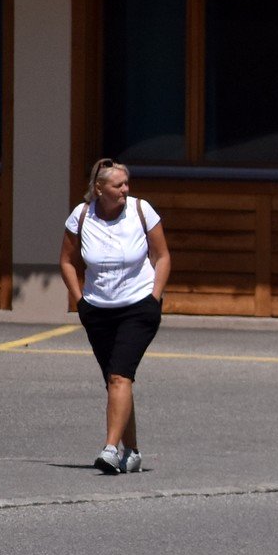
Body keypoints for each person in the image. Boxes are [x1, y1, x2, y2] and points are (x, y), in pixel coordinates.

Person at [59, 158, 171, 475]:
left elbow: (162, 256)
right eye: (118, 185)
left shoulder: (141, 210)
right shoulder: (81, 216)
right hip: (97, 311)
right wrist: (79, 301)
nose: (125, 189)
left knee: (119, 376)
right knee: (116, 381)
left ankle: (110, 449)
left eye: (126, 184)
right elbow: (66, 261)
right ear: (99, 189)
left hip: (138, 307)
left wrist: (154, 297)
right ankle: (131, 451)